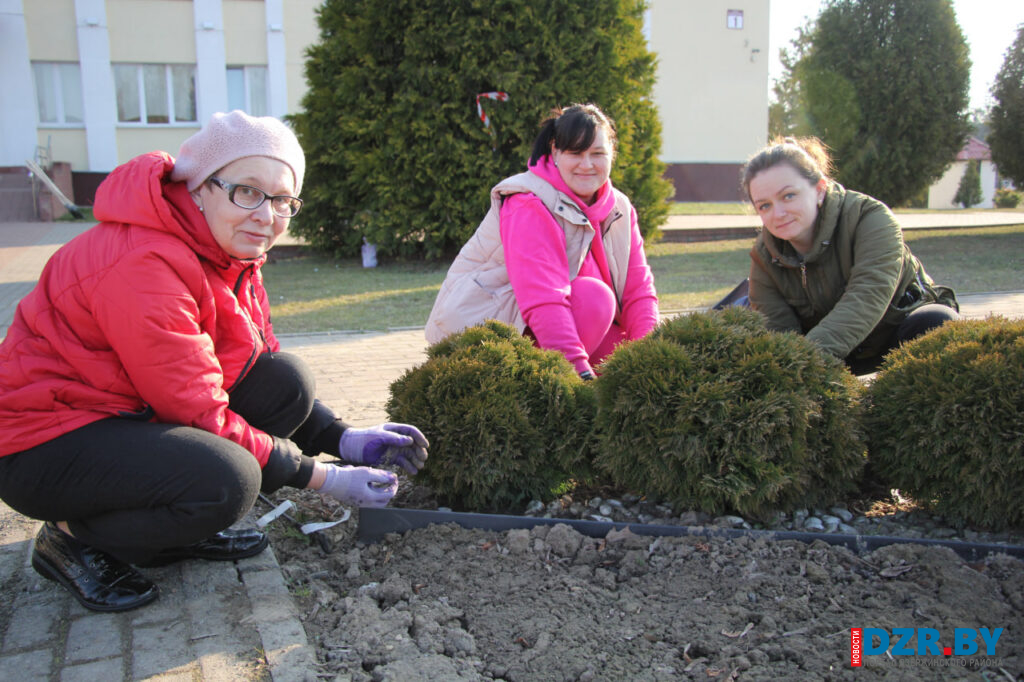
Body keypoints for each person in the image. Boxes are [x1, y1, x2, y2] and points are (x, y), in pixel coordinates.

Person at [0, 111, 429, 613]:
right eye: (247, 191)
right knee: (228, 482)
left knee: (285, 381)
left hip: (124, 412)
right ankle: (70, 537)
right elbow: (199, 409)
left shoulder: (228, 254)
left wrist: (343, 438)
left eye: (283, 200)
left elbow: (249, 366)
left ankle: (169, 526)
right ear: (200, 187)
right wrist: (324, 478)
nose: (266, 215)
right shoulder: (146, 262)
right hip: (43, 442)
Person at [426, 103, 659, 380]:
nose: (587, 165)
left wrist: (648, 362)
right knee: (595, 298)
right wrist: (577, 375)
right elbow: (544, 299)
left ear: (612, 154)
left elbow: (638, 291)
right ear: (555, 152)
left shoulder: (619, 207)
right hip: (495, 336)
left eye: (597, 154)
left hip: (572, 323)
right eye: (576, 153)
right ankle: (543, 389)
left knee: (623, 348)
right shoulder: (527, 202)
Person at [741, 136, 960, 374]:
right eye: (765, 205)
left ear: (819, 189)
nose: (778, 213)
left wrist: (803, 363)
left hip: (893, 335)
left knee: (937, 321)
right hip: (832, 354)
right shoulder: (764, 255)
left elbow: (868, 295)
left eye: (788, 196)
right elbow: (777, 327)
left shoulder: (871, 219)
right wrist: (785, 370)